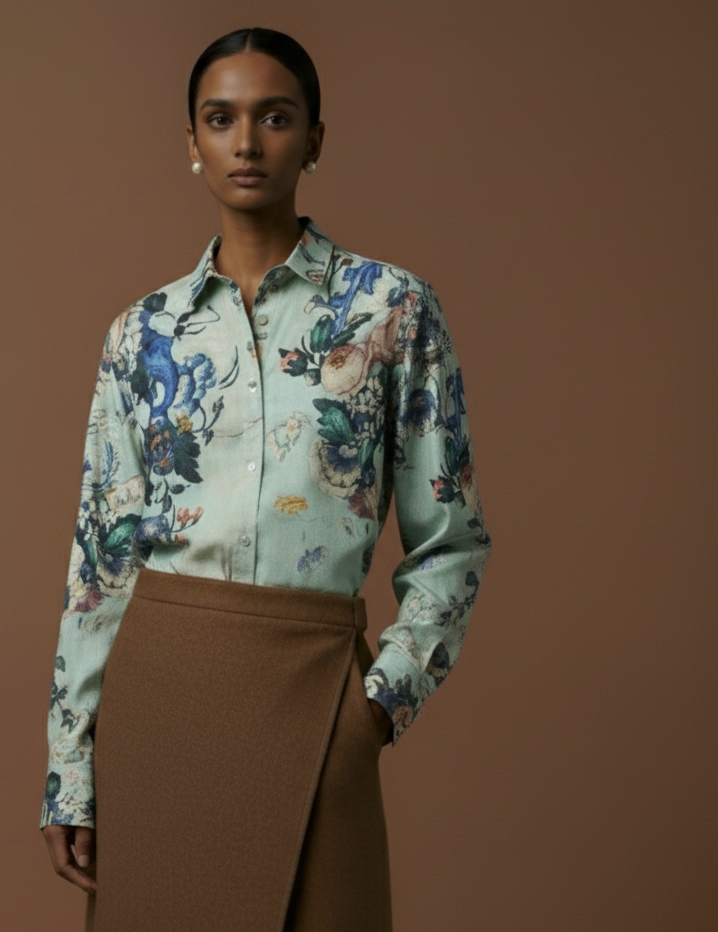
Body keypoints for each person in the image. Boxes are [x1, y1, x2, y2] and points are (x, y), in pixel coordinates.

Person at [40, 26, 491, 932]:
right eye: (221, 119)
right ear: (193, 142)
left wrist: (377, 705)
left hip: (320, 694)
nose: (246, 142)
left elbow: (452, 543)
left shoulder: (392, 308)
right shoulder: (142, 334)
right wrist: (70, 770)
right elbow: (101, 564)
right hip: (159, 706)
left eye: (274, 117)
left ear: (314, 139)